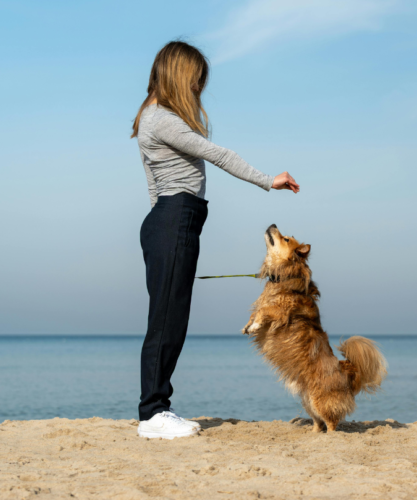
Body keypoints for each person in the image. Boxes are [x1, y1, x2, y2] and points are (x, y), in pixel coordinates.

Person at [130, 41, 300, 439]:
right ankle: (154, 411)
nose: (197, 91)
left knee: (172, 316)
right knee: (167, 320)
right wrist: (266, 179)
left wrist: (164, 222)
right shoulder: (161, 119)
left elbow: (156, 185)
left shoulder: (152, 117)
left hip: (172, 219)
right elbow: (217, 154)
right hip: (174, 219)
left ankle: (156, 409)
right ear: (179, 75)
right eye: (195, 82)